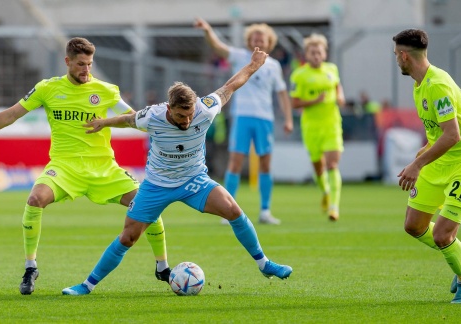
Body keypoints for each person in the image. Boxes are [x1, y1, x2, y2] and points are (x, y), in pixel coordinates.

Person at [0, 37, 170, 295]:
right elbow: (11, 115)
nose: (86, 70)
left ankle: (162, 266)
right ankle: (31, 267)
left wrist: (107, 122)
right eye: (81, 64)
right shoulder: (47, 88)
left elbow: (133, 119)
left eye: (90, 64)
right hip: (64, 167)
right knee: (35, 199)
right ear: (67, 62)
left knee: (147, 205)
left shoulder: (106, 90)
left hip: (104, 168)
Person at [61, 47, 292, 296]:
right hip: (157, 185)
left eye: (190, 115)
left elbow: (231, 86)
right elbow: (128, 119)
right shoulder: (153, 116)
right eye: (182, 116)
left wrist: (254, 65)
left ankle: (264, 264)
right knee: (128, 236)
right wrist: (103, 122)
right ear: (170, 109)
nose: (187, 122)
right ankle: (87, 286)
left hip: (194, 180)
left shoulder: (205, 108)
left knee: (233, 210)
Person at [392, 29, 461, 303]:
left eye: (395, 56)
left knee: (441, 234)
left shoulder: (437, 85)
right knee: (414, 226)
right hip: (441, 160)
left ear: (403, 56)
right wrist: (422, 153)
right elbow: (439, 133)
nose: (395, 61)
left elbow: (453, 135)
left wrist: (416, 165)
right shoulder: (419, 83)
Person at [194, 18, 293, 225]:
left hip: (264, 119)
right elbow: (218, 47)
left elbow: (282, 93)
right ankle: (228, 210)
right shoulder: (240, 57)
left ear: (269, 42)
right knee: (235, 162)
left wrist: (288, 118)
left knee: (265, 164)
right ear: (249, 40)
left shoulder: (273, 66)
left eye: (262, 38)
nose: (258, 40)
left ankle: (265, 211)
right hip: (242, 116)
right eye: (254, 37)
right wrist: (208, 29)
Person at [289, 34, 346, 221]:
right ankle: (325, 191)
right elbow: (294, 103)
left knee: (332, 164)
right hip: (311, 126)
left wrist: (340, 97)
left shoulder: (332, 69)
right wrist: (315, 101)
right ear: (307, 54)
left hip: (331, 124)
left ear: (324, 53)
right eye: (312, 52)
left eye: (319, 52)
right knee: (318, 167)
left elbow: (337, 86)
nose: (316, 55)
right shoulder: (299, 75)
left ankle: (334, 207)